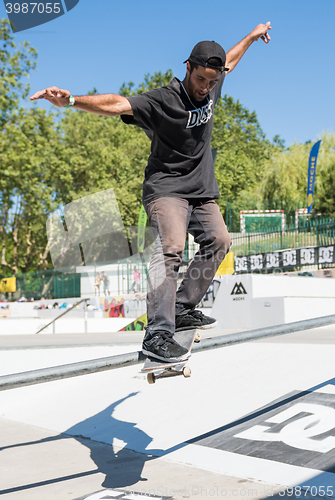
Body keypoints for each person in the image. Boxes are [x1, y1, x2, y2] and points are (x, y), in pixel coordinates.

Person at [30, 22, 272, 363]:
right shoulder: (162, 100)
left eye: (212, 82)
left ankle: (183, 308)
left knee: (219, 241)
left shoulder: (214, 81)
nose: (206, 88)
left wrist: (250, 36)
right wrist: (71, 100)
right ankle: (157, 332)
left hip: (200, 191)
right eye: (201, 79)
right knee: (170, 247)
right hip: (166, 189)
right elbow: (116, 104)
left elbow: (230, 58)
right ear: (188, 68)